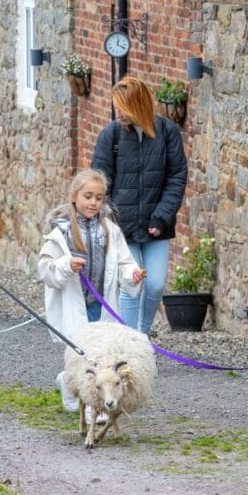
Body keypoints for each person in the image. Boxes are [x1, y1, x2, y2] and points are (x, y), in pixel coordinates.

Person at [37, 169, 145, 412]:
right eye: (88, 196)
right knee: (81, 355)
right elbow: (45, 269)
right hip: (74, 305)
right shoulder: (59, 233)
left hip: (100, 305)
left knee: (100, 357)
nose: (94, 202)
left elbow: (124, 263)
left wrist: (133, 275)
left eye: (99, 197)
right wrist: (67, 266)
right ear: (74, 196)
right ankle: (68, 381)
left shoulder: (110, 231)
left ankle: (94, 407)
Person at [91, 76, 188, 336]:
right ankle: (130, 339)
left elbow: (176, 178)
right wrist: (108, 222)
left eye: (123, 107)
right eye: (116, 106)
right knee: (131, 285)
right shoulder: (110, 135)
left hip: (158, 224)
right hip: (122, 226)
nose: (118, 113)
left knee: (155, 285)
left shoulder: (167, 133)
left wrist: (162, 217)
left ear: (139, 105)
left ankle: (142, 333)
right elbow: (100, 183)